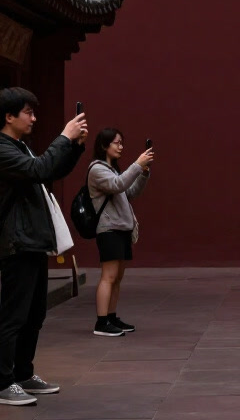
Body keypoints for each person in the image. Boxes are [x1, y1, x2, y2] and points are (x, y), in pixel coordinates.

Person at [0, 88, 86, 407]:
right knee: (14, 315)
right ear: (9, 116)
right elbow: (40, 169)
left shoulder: (16, 146)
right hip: (16, 241)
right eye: (28, 112)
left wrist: (74, 147)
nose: (34, 118)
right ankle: (2, 384)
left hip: (32, 239)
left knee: (34, 313)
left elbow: (49, 171)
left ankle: (23, 374)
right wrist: (64, 137)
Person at [87, 128, 154, 337]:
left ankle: (111, 316)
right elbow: (118, 185)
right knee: (108, 276)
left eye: (121, 143)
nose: (121, 147)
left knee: (117, 278)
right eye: (116, 143)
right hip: (109, 229)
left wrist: (144, 172)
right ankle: (101, 322)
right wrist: (137, 164)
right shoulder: (97, 169)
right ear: (104, 145)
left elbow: (130, 191)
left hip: (122, 228)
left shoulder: (113, 170)